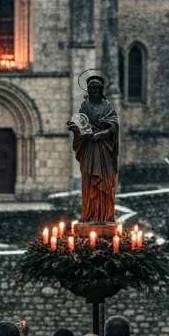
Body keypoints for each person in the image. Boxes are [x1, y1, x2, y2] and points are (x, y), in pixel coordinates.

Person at [67, 72, 119, 223]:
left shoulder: (107, 106)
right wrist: (75, 129)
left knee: (105, 180)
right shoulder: (85, 106)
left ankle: (104, 215)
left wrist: (103, 134)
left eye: (97, 87)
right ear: (88, 90)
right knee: (89, 179)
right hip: (89, 148)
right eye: (91, 88)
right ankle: (90, 213)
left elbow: (114, 126)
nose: (94, 90)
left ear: (101, 89)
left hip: (104, 148)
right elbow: (81, 124)